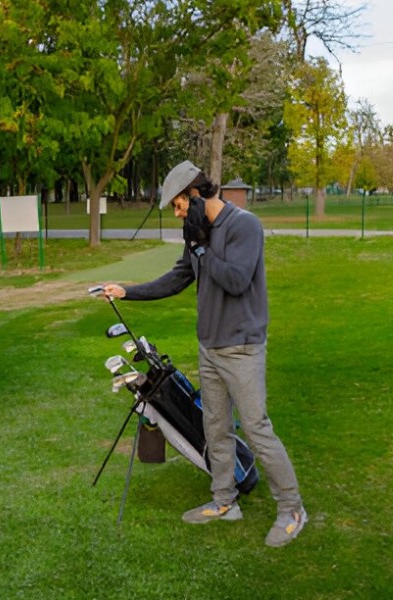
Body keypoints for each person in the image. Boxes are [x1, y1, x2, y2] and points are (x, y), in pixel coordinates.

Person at [99, 160, 306, 547]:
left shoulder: (245, 225)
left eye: (178, 206)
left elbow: (236, 280)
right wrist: (128, 290)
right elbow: (179, 277)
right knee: (215, 427)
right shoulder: (197, 234)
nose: (177, 214)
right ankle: (225, 502)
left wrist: (201, 245)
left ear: (194, 195)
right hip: (209, 347)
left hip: (242, 347)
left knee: (258, 430)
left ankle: (292, 508)